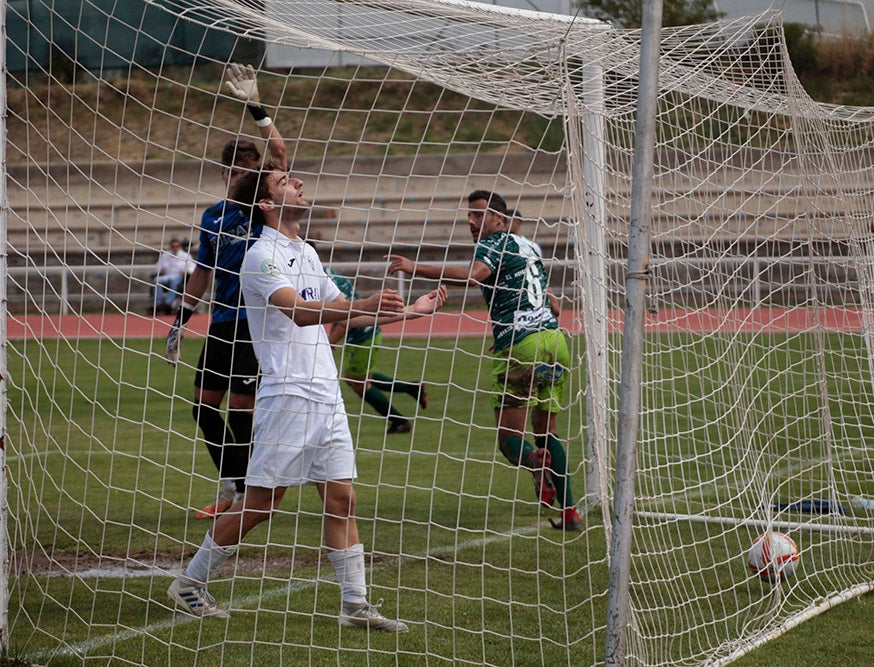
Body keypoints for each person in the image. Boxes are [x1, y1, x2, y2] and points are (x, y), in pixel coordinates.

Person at [167, 163, 446, 630]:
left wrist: (410, 314)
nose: (297, 183)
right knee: (261, 504)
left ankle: (355, 605)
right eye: (284, 182)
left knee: (342, 499)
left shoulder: (308, 254)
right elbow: (296, 312)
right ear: (268, 205)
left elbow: (340, 317)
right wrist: (364, 303)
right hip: (288, 395)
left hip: (326, 394)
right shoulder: (260, 256)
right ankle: (190, 582)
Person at [387, 190, 581, 531]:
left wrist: (414, 267)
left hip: (523, 346)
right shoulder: (528, 247)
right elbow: (551, 303)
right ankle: (570, 514)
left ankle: (538, 464)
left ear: (499, 219)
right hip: (555, 342)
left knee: (510, 441)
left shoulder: (492, 244)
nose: (471, 221)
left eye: (479, 215)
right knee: (548, 432)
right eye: (470, 215)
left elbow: (472, 276)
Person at [165, 63, 287, 519]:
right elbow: (203, 271)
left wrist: (256, 106)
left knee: (242, 410)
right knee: (202, 406)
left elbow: (279, 150)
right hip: (220, 323)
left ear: (256, 175)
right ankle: (235, 486)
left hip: (255, 323)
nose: (239, 175)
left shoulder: (262, 207)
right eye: (233, 169)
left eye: (247, 169)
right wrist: (180, 320)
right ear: (223, 173)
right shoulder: (213, 216)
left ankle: (249, 494)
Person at [326, 268, 429, 435]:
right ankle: (411, 388)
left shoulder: (320, 277)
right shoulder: (331, 272)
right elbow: (339, 312)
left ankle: (399, 421)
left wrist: (328, 344)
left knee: (359, 384)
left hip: (362, 332)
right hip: (364, 330)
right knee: (353, 378)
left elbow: (345, 318)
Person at [149, 238, 194, 315]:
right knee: (157, 280)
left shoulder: (186, 255)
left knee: (175, 282)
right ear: (170, 247)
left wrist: (186, 271)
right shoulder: (165, 255)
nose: (175, 248)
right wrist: (161, 270)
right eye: (173, 246)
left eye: (177, 246)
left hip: (179, 276)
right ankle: (158, 303)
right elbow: (158, 266)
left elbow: (192, 267)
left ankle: (168, 302)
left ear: (180, 246)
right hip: (167, 276)